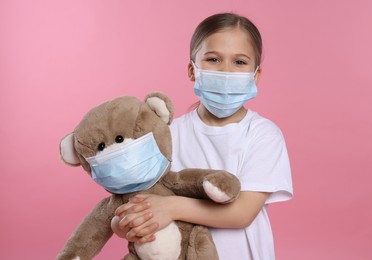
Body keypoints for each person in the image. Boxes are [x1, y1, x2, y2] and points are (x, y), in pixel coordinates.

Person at [113, 12, 293, 260]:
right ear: (192, 69)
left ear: (256, 75)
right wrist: (125, 224)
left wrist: (171, 207)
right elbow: (138, 204)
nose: (226, 71)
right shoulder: (166, 135)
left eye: (239, 62)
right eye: (213, 59)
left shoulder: (263, 134)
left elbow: (242, 213)